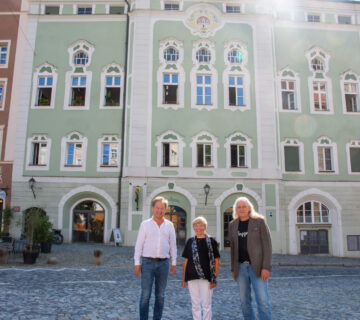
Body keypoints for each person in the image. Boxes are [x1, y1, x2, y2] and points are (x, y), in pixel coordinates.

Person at [134, 196, 177, 320]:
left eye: (162, 208)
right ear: (153, 208)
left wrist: (174, 263)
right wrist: (137, 263)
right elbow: (139, 245)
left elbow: (173, 245)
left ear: (165, 209)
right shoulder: (145, 225)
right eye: (157, 208)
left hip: (163, 264)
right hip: (147, 263)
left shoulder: (169, 225)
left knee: (160, 296)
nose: (160, 211)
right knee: (145, 295)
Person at [229, 197, 272, 320]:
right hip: (241, 268)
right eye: (239, 207)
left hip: (257, 267)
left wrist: (266, 267)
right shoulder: (233, 225)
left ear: (249, 208)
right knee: (244, 302)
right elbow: (233, 249)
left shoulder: (259, 222)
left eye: (244, 206)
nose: (241, 209)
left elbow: (267, 246)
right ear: (236, 209)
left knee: (263, 301)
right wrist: (233, 268)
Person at [182, 217, 220, 320]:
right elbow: (186, 261)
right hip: (191, 277)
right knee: (195, 305)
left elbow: (216, 261)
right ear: (193, 227)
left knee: (206, 305)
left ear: (205, 227)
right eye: (196, 225)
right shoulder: (190, 241)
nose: (198, 228)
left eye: (201, 225)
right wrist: (184, 278)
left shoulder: (211, 241)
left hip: (207, 277)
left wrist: (214, 278)